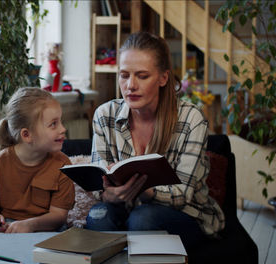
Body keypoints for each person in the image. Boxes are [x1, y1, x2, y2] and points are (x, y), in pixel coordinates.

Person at [85, 31, 225, 249]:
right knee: (98, 216)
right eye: (124, 75)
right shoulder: (104, 115)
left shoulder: (191, 119)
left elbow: (182, 196)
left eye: (142, 76)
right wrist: (109, 195)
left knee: (143, 219)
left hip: (184, 214)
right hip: (124, 208)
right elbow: (98, 183)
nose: (130, 85)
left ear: (163, 78)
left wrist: (143, 190)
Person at [0, 87, 75, 233]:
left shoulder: (63, 165)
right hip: (4, 230)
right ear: (27, 135)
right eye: (53, 124)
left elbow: (59, 216)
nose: (63, 129)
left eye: (60, 121)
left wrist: (29, 225)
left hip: (45, 229)